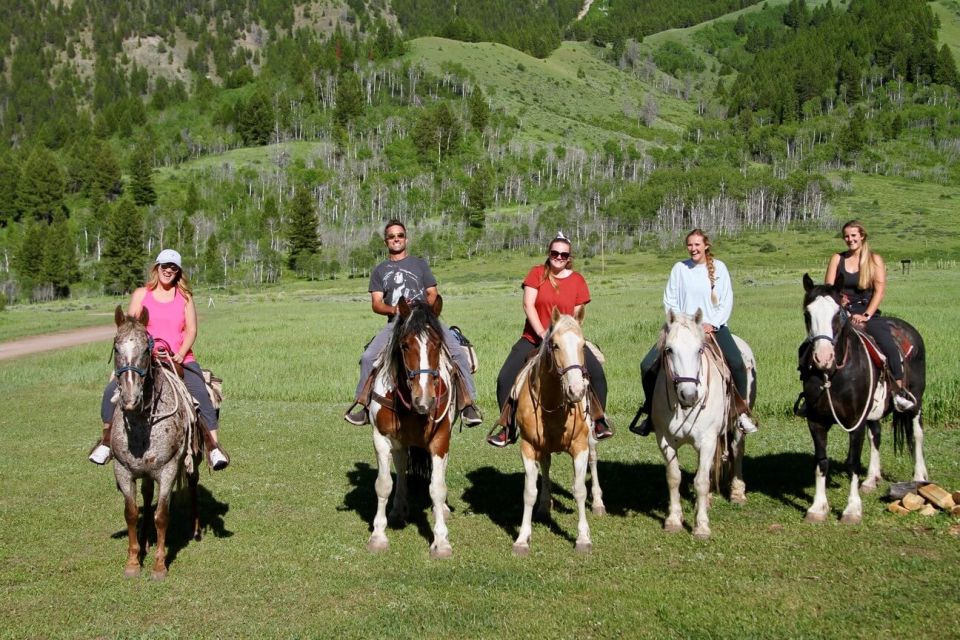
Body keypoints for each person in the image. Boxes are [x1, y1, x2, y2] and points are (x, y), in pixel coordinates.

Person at [89, 249, 229, 470]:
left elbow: (192, 330)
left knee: (202, 393)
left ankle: (214, 448)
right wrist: (135, 357)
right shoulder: (141, 294)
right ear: (157, 267)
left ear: (178, 271)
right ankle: (107, 441)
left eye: (173, 267)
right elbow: (130, 328)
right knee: (110, 393)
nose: (169, 271)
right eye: (165, 266)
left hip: (179, 358)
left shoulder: (185, 297)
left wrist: (181, 353)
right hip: (146, 359)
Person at [344, 220, 483, 427]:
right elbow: (376, 303)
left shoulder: (420, 264)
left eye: (399, 235)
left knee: (457, 352)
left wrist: (423, 312)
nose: (396, 239)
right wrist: (395, 310)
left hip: (425, 319)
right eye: (391, 236)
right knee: (368, 357)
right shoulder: (380, 270)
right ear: (386, 242)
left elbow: (432, 293)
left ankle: (468, 404)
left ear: (406, 239)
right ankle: (363, 405)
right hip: (398, 322)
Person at [487, 232, 613, 448]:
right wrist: (542, 333)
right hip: (534, 338)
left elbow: (577, 315)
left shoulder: (577, 280)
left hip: (566, 341)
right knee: (505, 378)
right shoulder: (537, 273)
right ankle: (507, 427)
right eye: (555, 253)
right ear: (549, 253)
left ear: (569, 257)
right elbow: (528, 305)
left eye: (564, 255)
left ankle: (598, 420)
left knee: (597, 374)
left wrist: (564, 337)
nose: (559, 257)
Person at [631, 229, 757, 436]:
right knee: (647, 365)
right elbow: (669, 300)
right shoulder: (679, 268)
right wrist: (680, 323)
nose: (693, 249)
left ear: (706, 245)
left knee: (736, 363)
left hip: (712, 327)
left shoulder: (719, 269)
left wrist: (712, 324)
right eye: (690, 245)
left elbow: (726, 300)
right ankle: (651, 411)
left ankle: (741, 412)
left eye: (697, 244)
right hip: (681, 327)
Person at [823, 219, 915, 410]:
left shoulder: (875, 260)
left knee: (886, 342)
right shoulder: (837, 259)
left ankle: (898, 390)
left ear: (862, 236)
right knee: (816, 341)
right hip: (841, 312)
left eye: (854, 235)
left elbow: (879, 291)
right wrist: (840, 302)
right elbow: (829, 289)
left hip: (867, 311)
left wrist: (866, 315)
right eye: (846, 236)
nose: (850, 239)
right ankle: (813, 393)